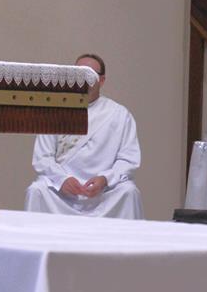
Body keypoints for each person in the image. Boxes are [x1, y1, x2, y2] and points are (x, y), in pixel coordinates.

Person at [25, 53, 143, 218]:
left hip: (104, 193)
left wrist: (105, 179)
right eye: (79, 74)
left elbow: (128, 159)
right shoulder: (54, 111)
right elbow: (43, 158)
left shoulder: (119, 114)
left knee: (129, 192)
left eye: (89, 75)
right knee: (37, 190)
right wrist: (62, 179)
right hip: (63, 193)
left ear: (102, 80)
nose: (83, 80)